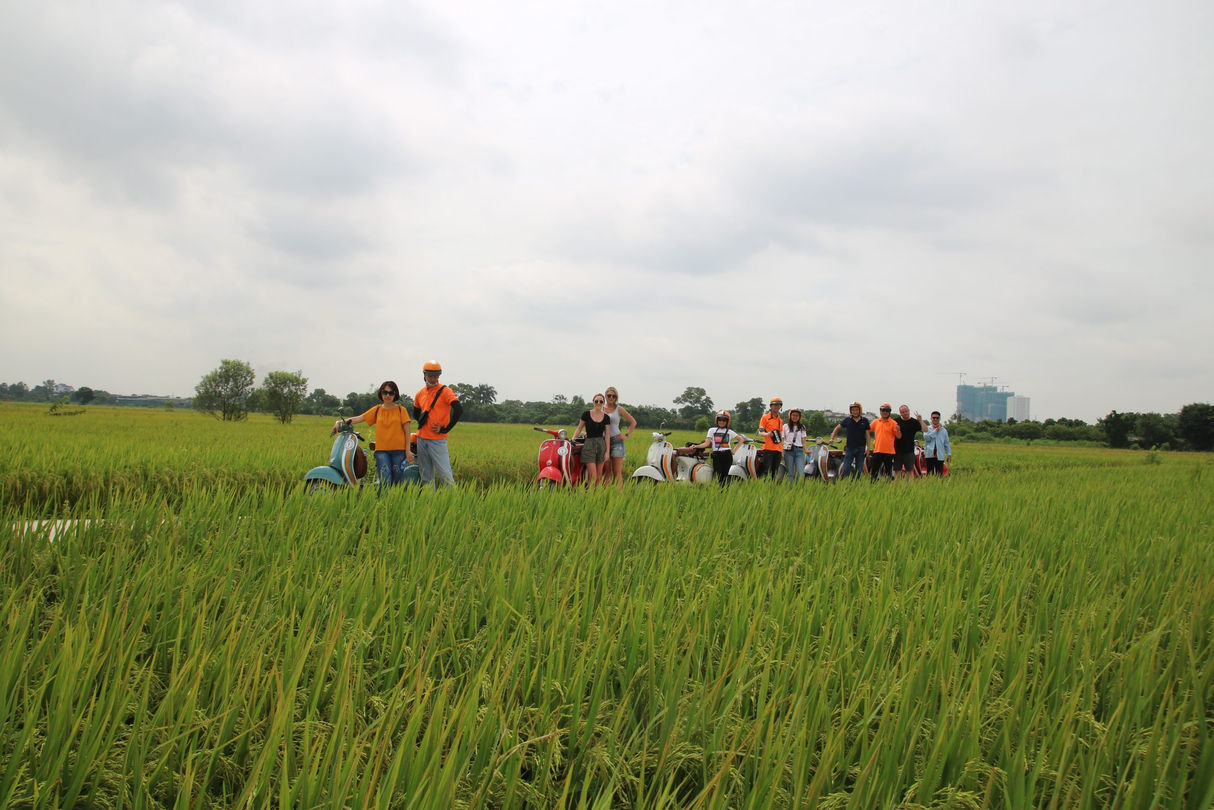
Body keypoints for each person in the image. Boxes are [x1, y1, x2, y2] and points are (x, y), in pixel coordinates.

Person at [335, 380, 414, 492]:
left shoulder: (401, 410)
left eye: (391, 393)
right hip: (382, 451)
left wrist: (407, 451)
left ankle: (398, 503)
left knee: (398, 481)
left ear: (395, 394)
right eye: (385, 392)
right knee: (385, 479)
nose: (387, 395)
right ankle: (384, 503)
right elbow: (359, 418)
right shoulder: (377, 410)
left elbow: (407, 432)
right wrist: (340, 422)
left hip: (399, 451)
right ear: (381, 393)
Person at [411, 361, 462, 488]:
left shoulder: (446, 391)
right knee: (426, 475)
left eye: (436, 376)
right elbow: (416, 413)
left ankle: (453, 502)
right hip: (421, 439)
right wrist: (424, 423)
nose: (433, 379)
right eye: (430, 376)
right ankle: (429, 503)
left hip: (437, 441)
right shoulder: (420, 393)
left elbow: (458, 409)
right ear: (424, 375)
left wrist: (445, 429)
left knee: (445, 474)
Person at [684, 410, 745, 485]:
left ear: (727, 421)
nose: (721, 422)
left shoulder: (729, 432)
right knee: (718, 475)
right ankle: (718, 491)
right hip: (717, 455)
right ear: (717, 420)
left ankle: (724, 492)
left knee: (725, 476)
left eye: (724, 420)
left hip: (727, 455)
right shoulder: (712, 430)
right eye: (719, 419)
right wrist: (696, 446)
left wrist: (734, 451)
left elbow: (741, 439)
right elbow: (707, 443)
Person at [602, 386, 637, 489]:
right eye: (609, 395)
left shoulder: (619, 409)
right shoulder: (601, 408)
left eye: (614, 396)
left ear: (616, 397)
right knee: (606, 472)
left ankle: (619, 496)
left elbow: (633, 422)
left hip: (616, 441)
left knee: (617, 472)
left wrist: (626, 435)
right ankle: (605, 495)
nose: (611, 397)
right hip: (603, 442)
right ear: (606, 396)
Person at [573, 394, 612, 486]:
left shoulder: (606, 417)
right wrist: (573, 438)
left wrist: (607, 452)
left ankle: (593, 497)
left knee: (598, 476)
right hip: (589, 445)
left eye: (601, 401)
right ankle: (590, 494)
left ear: (603, 403)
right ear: (593, 402)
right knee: (593, 475)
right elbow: (579, 428)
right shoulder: (586, 414)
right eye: (596, 401)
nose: (598, 403)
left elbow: (607, 435)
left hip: (601, 446)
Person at [829, 401, 870, 480]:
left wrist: (868, 448)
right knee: (846, 467)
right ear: (850, 411)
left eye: (856, 410)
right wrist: (832, 438)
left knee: (859, 469)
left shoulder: (864, 421)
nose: (855, 411)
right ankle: (845, 483)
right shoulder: (847, 420)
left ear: (859, 410)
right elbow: (837, 428)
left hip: (861, 448)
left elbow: (867, 435)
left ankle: (857, 484)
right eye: (853, 410)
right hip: (850, 448)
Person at [868, 403, 901, 481]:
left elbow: (899, 436)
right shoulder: (876, 422)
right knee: (874, 470)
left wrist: (898, 430)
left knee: (888, 471)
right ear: (880, 411)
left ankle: (888, 486)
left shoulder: (893, 423)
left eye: (887, 410)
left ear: (889, 412)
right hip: (878, 450)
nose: (885, 412)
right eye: (883, 410)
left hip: (889, 451)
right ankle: (873, 485)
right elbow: (867, 430)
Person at [757, 397, 785, 479]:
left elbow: (780, 435)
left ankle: (772, 487)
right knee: (766, 471)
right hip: (768, 448)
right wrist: (767, 434)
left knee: (775, 472)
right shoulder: (765, 417)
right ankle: (765, 487)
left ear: (780, 406)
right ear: (771, 406)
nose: (776, 406)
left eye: (778, 405)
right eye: (774, 405)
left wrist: (782, 449)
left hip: (778, 449)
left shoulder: (780, 420)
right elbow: (760, 432)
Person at [892, 404, 922, 480]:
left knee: (910, 470)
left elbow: (925, 430)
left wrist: (920, 420)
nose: (905, 413)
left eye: (906, 411)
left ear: (909, 411)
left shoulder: (914, 422)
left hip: (909, 450)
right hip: (897, 450)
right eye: (903, 412)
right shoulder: (895, 421)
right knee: (897, 470)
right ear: (900, 413)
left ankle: (909, 488)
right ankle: (897, 487)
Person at [919, 410, 952, 475]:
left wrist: (949, 454)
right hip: (929, 455)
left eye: (937, 418)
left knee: (939, 474)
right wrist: (935, 431)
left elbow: (946, 443)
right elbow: (927, 438)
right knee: (930, 474)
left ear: (939, 419)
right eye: (934, 418)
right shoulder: (927, 428)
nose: (935, 419)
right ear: (931, 418)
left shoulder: (943, 430)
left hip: (939, 455)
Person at [782, 407, 808, 484]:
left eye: (797, 415)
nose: (795, 417)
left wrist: (806, 450)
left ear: (799, 417)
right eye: (793, 415)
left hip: (799, 451)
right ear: (790, 416)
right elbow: (782, 440)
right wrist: (782, 451)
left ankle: (800, 489)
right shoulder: (785, 426)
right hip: (788, 451)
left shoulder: (802, 427)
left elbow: (804, 441)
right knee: (790, 473)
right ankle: (791, 490)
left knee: (800, 472)